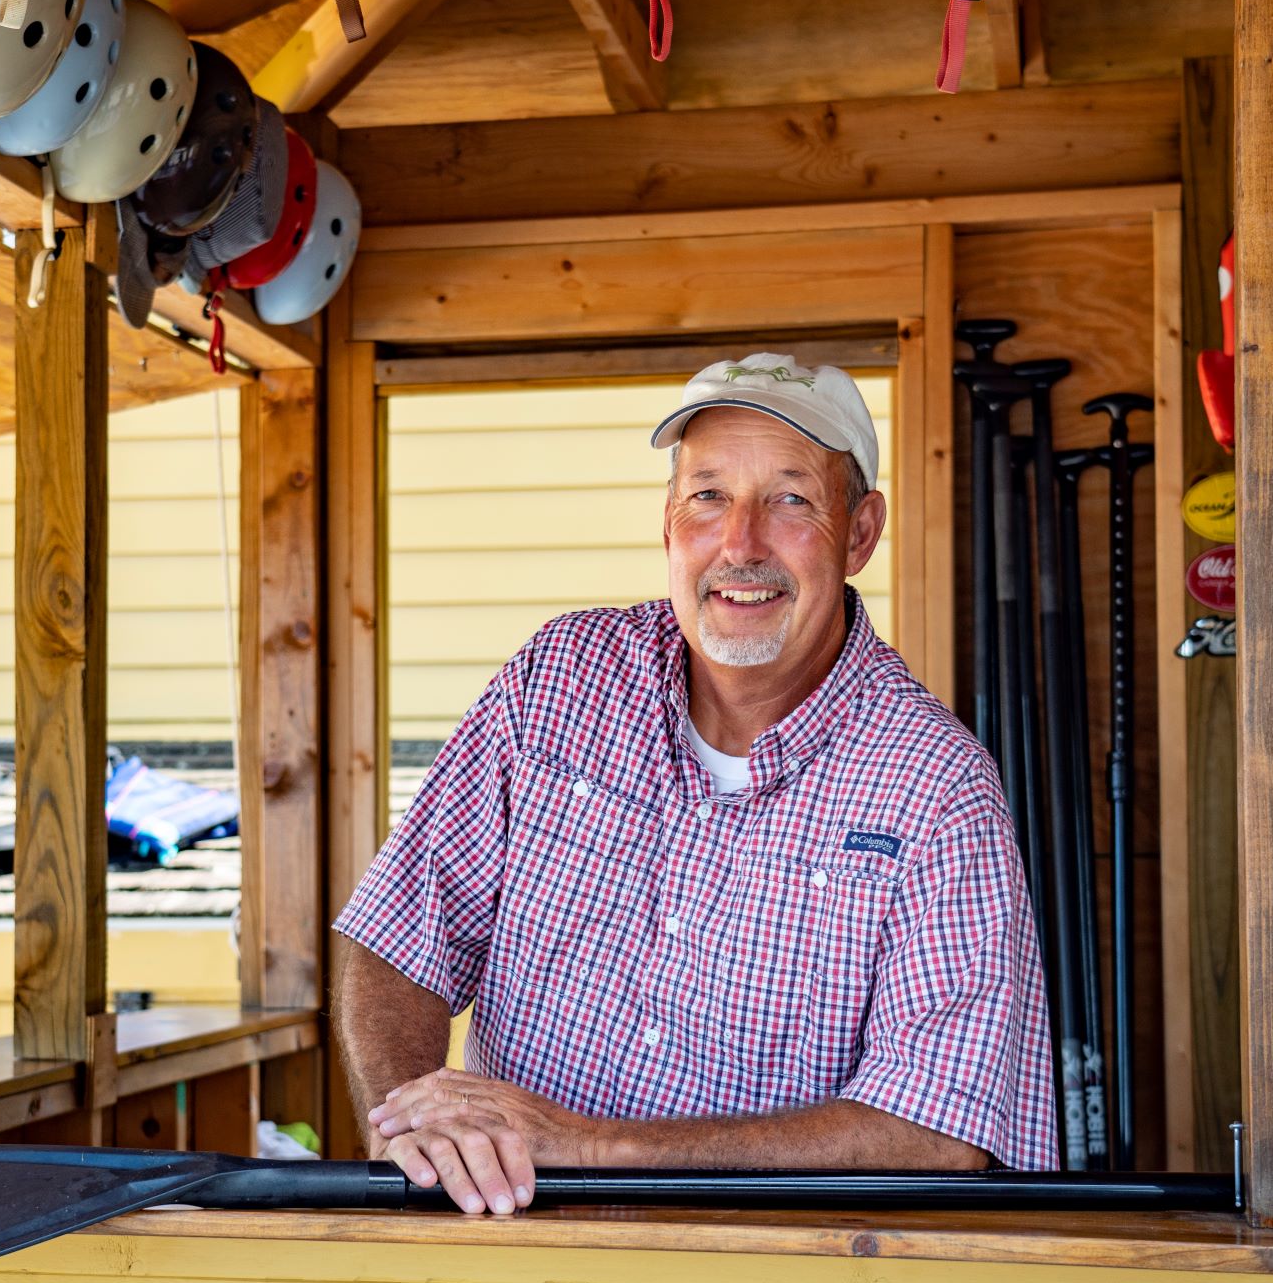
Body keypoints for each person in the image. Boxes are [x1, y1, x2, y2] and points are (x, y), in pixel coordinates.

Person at [333, 353, 1056, 1215]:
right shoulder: (557, 679)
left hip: (765, 1275)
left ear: (860, 534)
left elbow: (935, 1132)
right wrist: (410, 1130)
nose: (739, 544)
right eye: (708, 496)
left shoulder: (933, 784)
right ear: (669, 524)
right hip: (509, 1244)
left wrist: (594, 1149)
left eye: (790, 500)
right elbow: (400, 938)